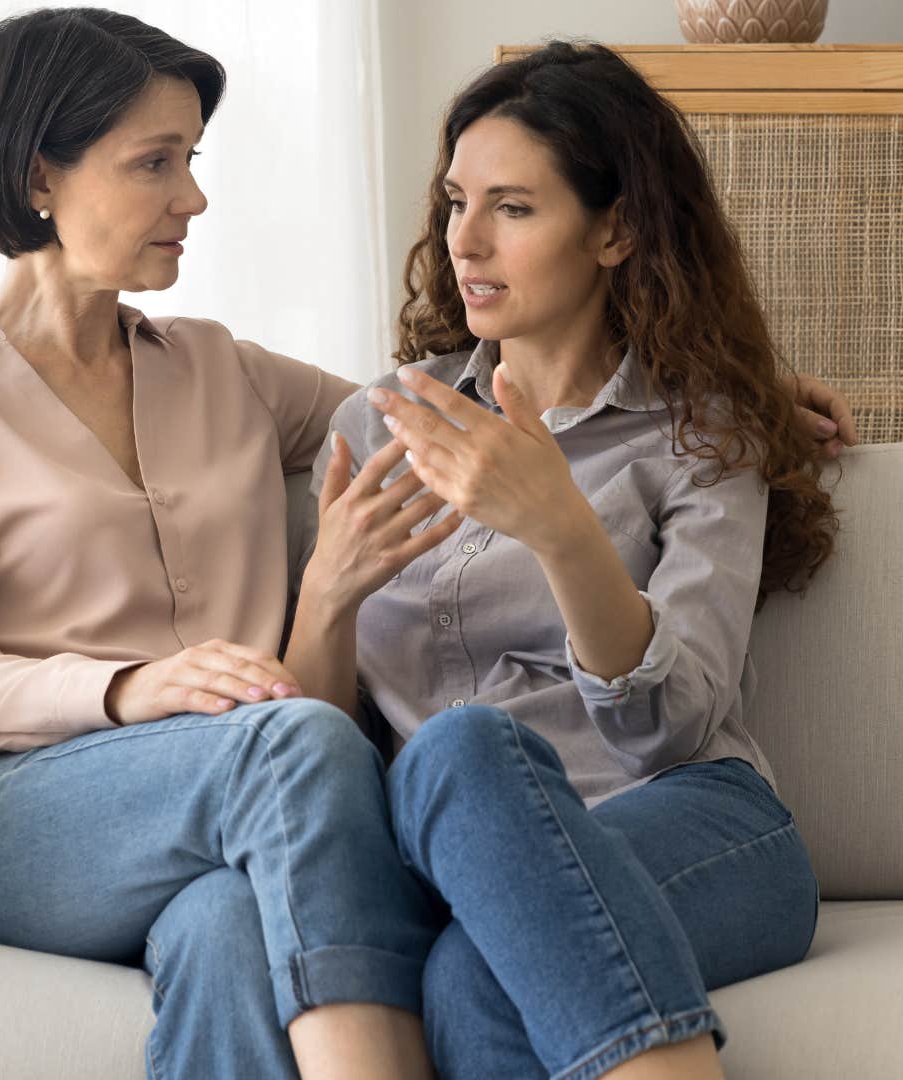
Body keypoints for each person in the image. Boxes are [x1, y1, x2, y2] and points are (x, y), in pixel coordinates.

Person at [0, 10, 854, 1079]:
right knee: (326, 749)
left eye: (190, 159)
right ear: (39, 172)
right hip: (43, 796)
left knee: (253, 929)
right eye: (156, 163)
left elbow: (490, 403)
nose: (194, 196)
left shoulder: (225, 373)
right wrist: (146, 682)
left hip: (502, 811)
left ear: (615, 230)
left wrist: (728, 395)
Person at [286, 41, 839, 1080]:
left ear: (616, 228)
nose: (466, 241)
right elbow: (317, 754)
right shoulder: (379, 420)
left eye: (514, 208)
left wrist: (560, 528)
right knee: (461, 927)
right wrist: (325, 598)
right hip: (456, 862)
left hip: (697, 826)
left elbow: (670, 724)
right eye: (456, 202)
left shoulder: (701, 438)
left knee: (459, 761)